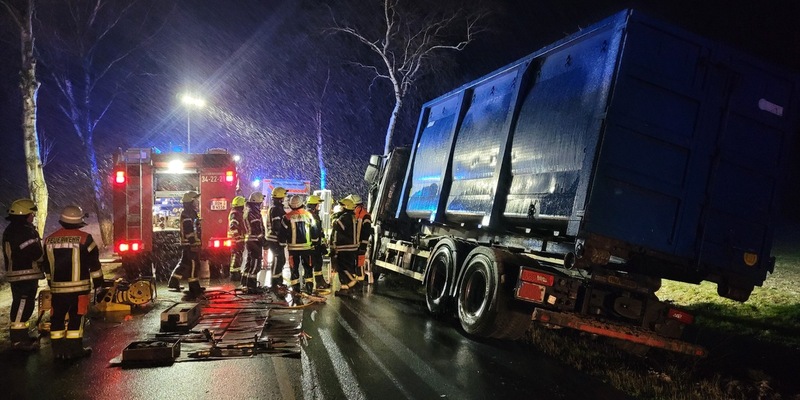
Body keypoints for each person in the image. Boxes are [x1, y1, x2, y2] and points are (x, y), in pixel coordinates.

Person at [42, 205, 103, 360]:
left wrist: (51, 283)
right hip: (79, 289)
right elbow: (94, 265)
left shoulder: (49, 240)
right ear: (79, 221)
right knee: (76, 317)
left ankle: (58, 351)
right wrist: (99, 283)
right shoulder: (85, 239)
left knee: (57, 318)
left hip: (58, 290)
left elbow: (47, 266)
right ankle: (75, 349)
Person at [2, 198, 45, 351]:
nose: (33, 216)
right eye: (31, 213)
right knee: (22, 305)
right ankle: (18, 341)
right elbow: (34, 252)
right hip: (23, 275)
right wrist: (44, 259)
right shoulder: (22, 231)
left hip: (23, 274)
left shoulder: (16, 229)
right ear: (24, 214)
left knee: (24, 305)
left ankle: (22, 337)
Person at [167, 191, 204, 300]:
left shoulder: (190, 213)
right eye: (195, 200)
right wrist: (193, 242)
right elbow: (188, 230)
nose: (197, 201)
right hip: (189, 244)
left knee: (184, 263)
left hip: (189, 244)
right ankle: (194, 286)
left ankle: (173, 281)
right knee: (193, 264)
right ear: (191, 201)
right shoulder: (188, 214)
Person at [280, 195, 320, 294]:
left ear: (290, 205)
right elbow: (315, 230)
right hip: (307, 248)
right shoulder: (308, 215)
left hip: (293, 249)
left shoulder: (286, 217)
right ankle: (309, 289)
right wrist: (315, 242)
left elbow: (282, 233)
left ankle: (296, 290)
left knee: (294, 269)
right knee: (308, 268)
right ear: (302, 203)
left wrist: (281, 244)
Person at [330, 198, 360, 293]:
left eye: (342, 206)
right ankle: (344, 287)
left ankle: (353, 282)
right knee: (348, 267)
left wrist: (334, 218)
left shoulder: (345, 217)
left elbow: (337, 225)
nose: (340, 207)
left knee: (343, 267)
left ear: (345, 207)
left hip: (345, 247)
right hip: (351, 247)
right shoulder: (352, 216)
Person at [241, 191, 266, 292]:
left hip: (251, 240)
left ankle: (245, 283)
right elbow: (257, 229)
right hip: (254, 240)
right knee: (256, 263)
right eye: (261, 202)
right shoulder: (253, 213)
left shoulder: (249, 211)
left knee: (250, 262)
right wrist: (263, 240)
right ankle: (251, 286)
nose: (262, 204)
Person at [264, 187, 288, 290]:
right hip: (275, 239)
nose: (285, 198)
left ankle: (278, 281)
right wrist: (282, 236)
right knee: (278, 259)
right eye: (284, 196)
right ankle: (275, 283)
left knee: (280, 260)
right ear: (280, 197)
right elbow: (276, 226)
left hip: (275, 238)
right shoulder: (276, 209)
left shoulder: (277, 208)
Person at [346, 194, 372, 282]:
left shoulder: (365, 215)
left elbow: (366, 232)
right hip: (353, 244)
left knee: (359, 264)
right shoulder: (353, 214)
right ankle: (353, 282)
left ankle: (359, 283)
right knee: (352, 264)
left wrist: (363, 246)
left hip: (360, 245)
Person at [306, 195, 330, 293]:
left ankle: (319, 282)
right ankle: (308, 285)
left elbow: (320, 231)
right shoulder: (311, 215)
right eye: (317, 205)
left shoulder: (314, 215)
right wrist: (316, 244)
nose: (318, 207)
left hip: (316, 245)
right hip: (312, 246)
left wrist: (322, 244)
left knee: (318, 264)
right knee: (310, 265)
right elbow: (314, 231)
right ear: (313, 205)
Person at [227, 195, 246, 282]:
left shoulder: (236, 213)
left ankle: (236, 271)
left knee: (238, 255)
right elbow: (233, 226)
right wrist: (237, 236)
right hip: (236, 240)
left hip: (238, 239)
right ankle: (234, 273)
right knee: (236, 255)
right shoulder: (235, 213)